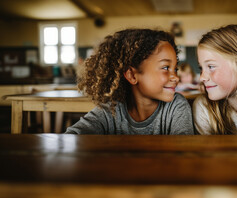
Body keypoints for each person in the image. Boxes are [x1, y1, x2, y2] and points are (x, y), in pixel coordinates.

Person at [65, 28, 194, 135]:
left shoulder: (176, 106)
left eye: (175, 69)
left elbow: (184, 152)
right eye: (165, 68)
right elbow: (71, 139)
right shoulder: (111, 110)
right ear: (132, 75)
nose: (176, 77)